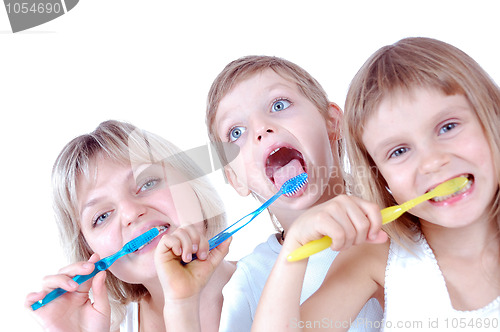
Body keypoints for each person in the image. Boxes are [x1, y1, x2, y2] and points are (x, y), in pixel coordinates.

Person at [253, 37, 500, 331]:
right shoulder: (377, 255)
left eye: (448, 127)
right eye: (399, 151)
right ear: (380, 177)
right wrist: (295, 247)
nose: (432, 162)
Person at [206, 56, 384, 331]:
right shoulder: (250, 279)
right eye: (236, 132)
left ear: (332, 122)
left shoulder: (396, 223)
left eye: (279, 105)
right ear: (235, 179)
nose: (261, 130)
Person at [25, 120, 236, 332]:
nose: (130, 213)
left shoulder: (268, 276)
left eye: (147, 183)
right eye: (102, 216)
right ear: (89, 251)